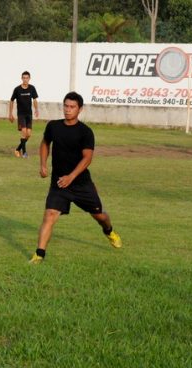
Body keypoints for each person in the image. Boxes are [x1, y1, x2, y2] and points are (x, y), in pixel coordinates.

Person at [29, 92, 122, 265]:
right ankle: (39, 255)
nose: (67, 110)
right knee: (50, 214)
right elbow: (44, 143)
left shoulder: (85, 132)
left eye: (72, 107)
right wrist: (43, 164)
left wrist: (71, 177)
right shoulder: (53, 126)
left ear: (80, 109)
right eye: (65, 106)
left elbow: (87, 158)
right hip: (59, 183)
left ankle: (109, 231)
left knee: (100, 216)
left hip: (81, 184)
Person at [9, 71, 39, 158]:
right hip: (21, 114)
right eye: (24, 78)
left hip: (29, 114)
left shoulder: (32, 88)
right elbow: (11, 101)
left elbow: (35, 100)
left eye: (27, 78)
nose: (25, 79)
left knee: (28, 134)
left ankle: (18, 149)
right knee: (24, 132)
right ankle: (25, 153)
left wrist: (36, 109)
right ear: (21, 78)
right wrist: (10, 114)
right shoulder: (17, 89)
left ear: (29, 78)